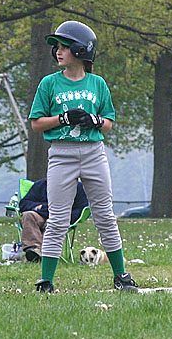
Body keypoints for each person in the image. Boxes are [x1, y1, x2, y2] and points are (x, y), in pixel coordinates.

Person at [28, 21, 138, 292]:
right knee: (57, 219)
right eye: (57, 47)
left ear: (80, 49)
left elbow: (109, 122)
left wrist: (95, 121)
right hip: (61, 155)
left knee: (105, 216)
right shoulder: (49, 84)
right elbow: (36, 123)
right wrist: (62, 118)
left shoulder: (97, 84)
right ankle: (46, 281)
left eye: (64, 46)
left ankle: (121, 277)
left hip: (93, 153)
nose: (58, 51)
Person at [20, 178, 88, 263]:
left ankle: (46, 252)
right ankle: (34, 250)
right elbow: (24, 203)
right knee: (28, 215)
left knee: (54, 223)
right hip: (39, 216)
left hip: (61, 218)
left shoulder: (78, 188)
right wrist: (41, 207)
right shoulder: (40, 185)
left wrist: (61, 215)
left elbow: (80, 209)